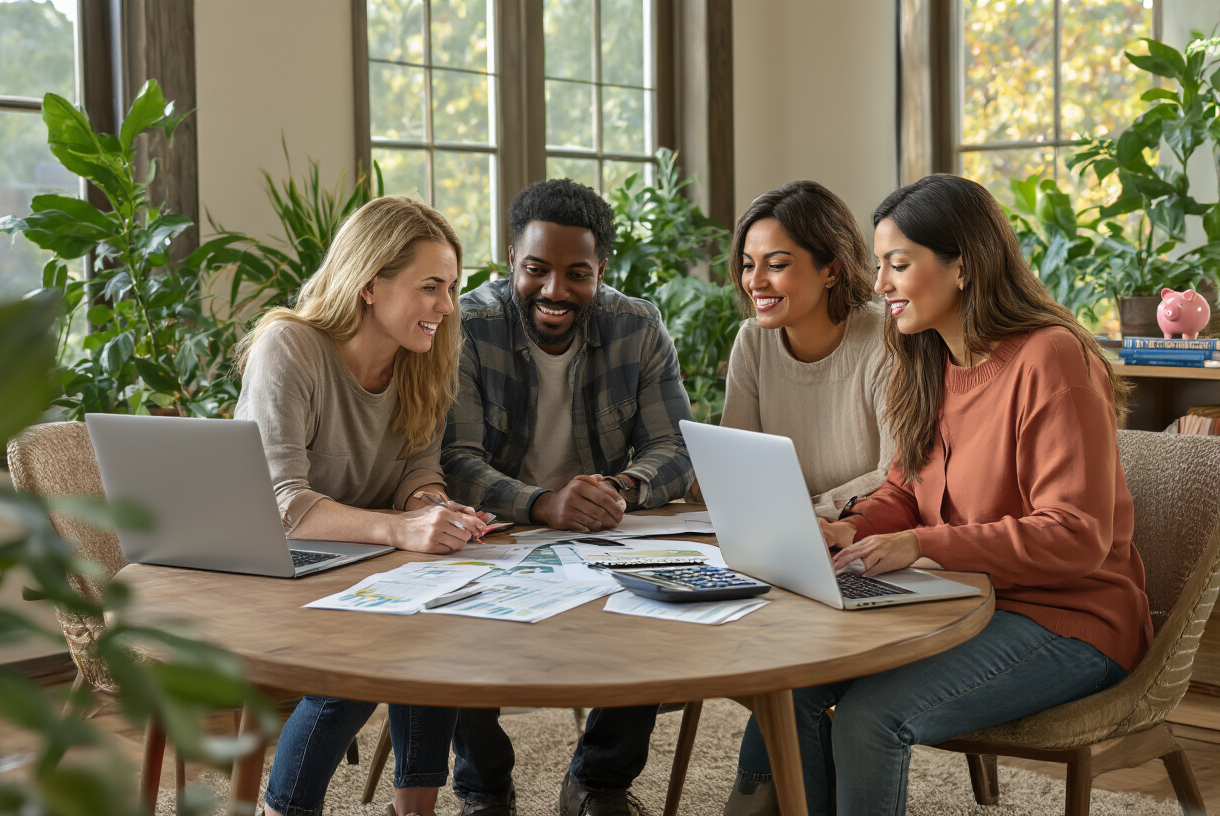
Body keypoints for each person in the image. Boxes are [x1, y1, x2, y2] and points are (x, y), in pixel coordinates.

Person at [726, 174, 1153, 816]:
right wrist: (850, 529)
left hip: (1069, 620)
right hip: (953, 600)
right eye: (878, 265)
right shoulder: (927, 357)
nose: (879, 285)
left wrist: (921, 544)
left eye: (898, 265)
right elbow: (903, 486)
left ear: (963, 267)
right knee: (791, 683)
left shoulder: (1051, 358)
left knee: (871, 719)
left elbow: (1076, 534)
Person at [441, 178, 696, 816]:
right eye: (537, 270)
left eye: (577, 273)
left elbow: (677, 447)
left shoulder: (636, 325)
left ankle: (599, 783)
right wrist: (542, 504)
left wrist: (623, 488)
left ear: (601, 270)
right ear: (510, 263)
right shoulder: (467, 326)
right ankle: (484, 786)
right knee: (447, 612)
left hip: (603, 531)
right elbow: (452, 460)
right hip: (494, 527)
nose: (555, 291)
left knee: (656, 604)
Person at [234, 196, 486, 816]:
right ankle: (285, 810)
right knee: (365, 654)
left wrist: (434, 511)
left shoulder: (424, 361)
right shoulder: (289, 347)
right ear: (371, 284)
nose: (446, 307)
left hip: (361, 565)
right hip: (270, 569)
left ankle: (415, 806)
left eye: (451, 287)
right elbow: (281, 503)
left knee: (440, 610)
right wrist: (402, 529)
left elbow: (418, 472)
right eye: (431, 287)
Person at [710, 180, 892, 521]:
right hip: (783, 532)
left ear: (831, 271)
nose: (755, 281)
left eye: (776, 265)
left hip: (866, 534)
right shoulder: (752, 342)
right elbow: (738, 470)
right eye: (749, 265)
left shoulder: (887, 339)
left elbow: (894, 477)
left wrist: (801, 513)